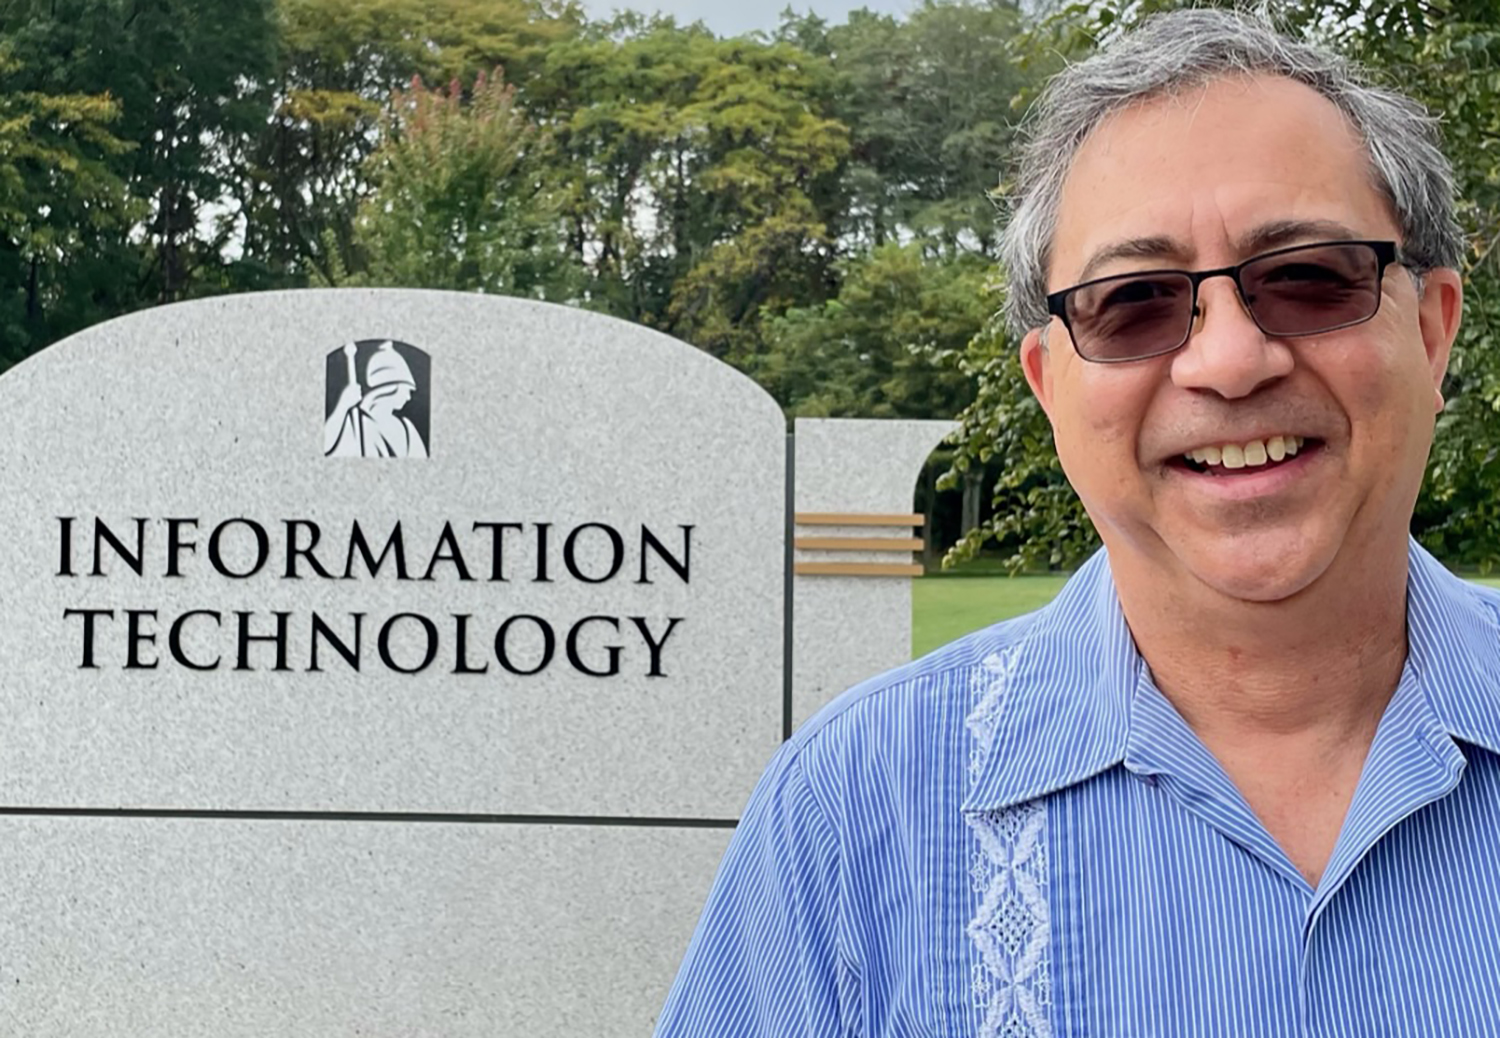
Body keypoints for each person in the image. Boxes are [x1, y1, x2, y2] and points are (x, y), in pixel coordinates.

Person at [654, 8, 1496, 1037]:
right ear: (1051, 388)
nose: (1229, 362)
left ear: (1432, 324)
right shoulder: (852, 811)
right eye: (1134, 301)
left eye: (1309, 277)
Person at [324, 341, 428, 458]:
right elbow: (326, 445)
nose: (408, 397)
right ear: (390, 388)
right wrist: (343, 406)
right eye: (406, 390)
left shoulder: (407, 428)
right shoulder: (356, 421)